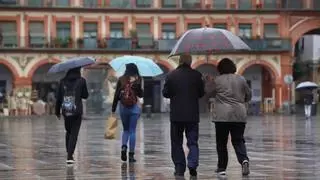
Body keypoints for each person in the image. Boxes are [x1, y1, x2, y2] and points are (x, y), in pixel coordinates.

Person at [205, 58, 251, 177]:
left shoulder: (217, 80)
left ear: (220, 68)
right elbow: (248, 95)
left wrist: (209, 81)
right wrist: (242, 101)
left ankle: (222, 168)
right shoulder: (241, 79)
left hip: (222, 116)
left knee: (221, 143)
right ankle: (244, 160)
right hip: (239, 114)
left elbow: (207, 92)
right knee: (238, 140)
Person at [162, 54, 205, 178]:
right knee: (192, 142)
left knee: (176, 142)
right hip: (192, 115)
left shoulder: (171, 75)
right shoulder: (197, 75)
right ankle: (192, 165)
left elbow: (165, 93)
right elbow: (201, 93)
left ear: (180, 61)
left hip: (176, 115)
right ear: (190, 62)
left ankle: (179, 168)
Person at [55, 67, 89, 165]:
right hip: (77, 111)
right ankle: (70, 156)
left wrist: (57, 112)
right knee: (74, 133)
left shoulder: (62, 81)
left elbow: (58, 98)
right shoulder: (82, 81)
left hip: (66, 110)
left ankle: (69, 153)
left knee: (68, 131)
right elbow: (85, 95)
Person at [112, 63, 143, 163]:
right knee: (132, 131)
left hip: (123, 108)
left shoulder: (121, 79)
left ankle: (124, 147)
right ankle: (131, 155)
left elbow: (116, 95)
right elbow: (141, 95)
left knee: (125, 130)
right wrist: (137, 85)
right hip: (134, 108)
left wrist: (113, 109)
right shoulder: (138, 79)